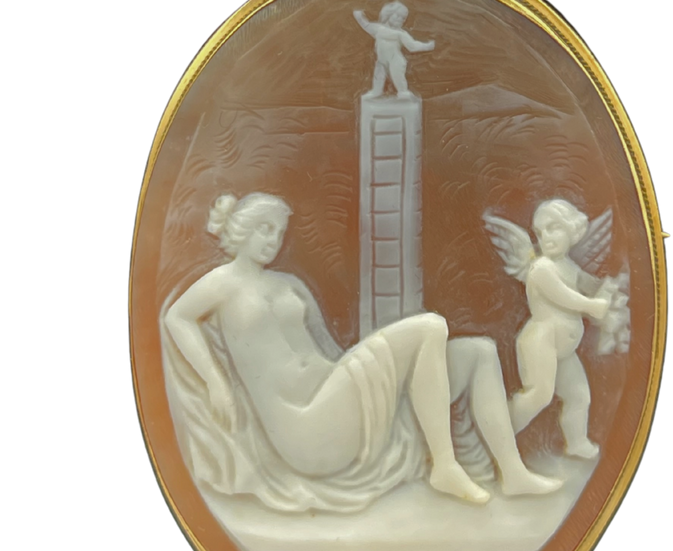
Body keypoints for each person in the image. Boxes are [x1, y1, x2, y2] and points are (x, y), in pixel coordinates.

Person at [163, 192, 562, 514]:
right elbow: (176, 318)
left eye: (279, 232)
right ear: (240, 229)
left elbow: (334, 352)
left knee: (479, 352)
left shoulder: (290, 284)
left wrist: (397, 376)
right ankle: (444, 466)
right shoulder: (222, 283)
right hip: (306, 429)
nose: (273, 240)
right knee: (429, 327)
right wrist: (215, 382)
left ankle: (512, 472)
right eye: (264, 229)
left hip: (338, 404)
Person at [506, 200, 618, 459]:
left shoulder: (568, 266)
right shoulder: (541, 268)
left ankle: (576, 442)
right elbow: (564, 297)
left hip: (563, 351)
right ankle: (499, 435)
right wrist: (592, 306)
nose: (546, 237)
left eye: (553, 228)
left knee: (579, 395)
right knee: (539, 395)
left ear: (572, 230)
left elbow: (589, 284)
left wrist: (608, 289)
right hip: (540, 342)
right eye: (540, 232)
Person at [353, 2, 434, 100]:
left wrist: (427, 46)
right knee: (378, 75)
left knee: (398, 76)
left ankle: (403, 92)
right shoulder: (378, 28)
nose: (400, 19)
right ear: (389, 14)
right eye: (398, 15)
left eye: (403, 18)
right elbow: (366, 25)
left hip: (395, 60)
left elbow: (412, 46)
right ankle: (376, 91)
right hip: (381, 60)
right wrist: (359, 16)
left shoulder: (401, 34)